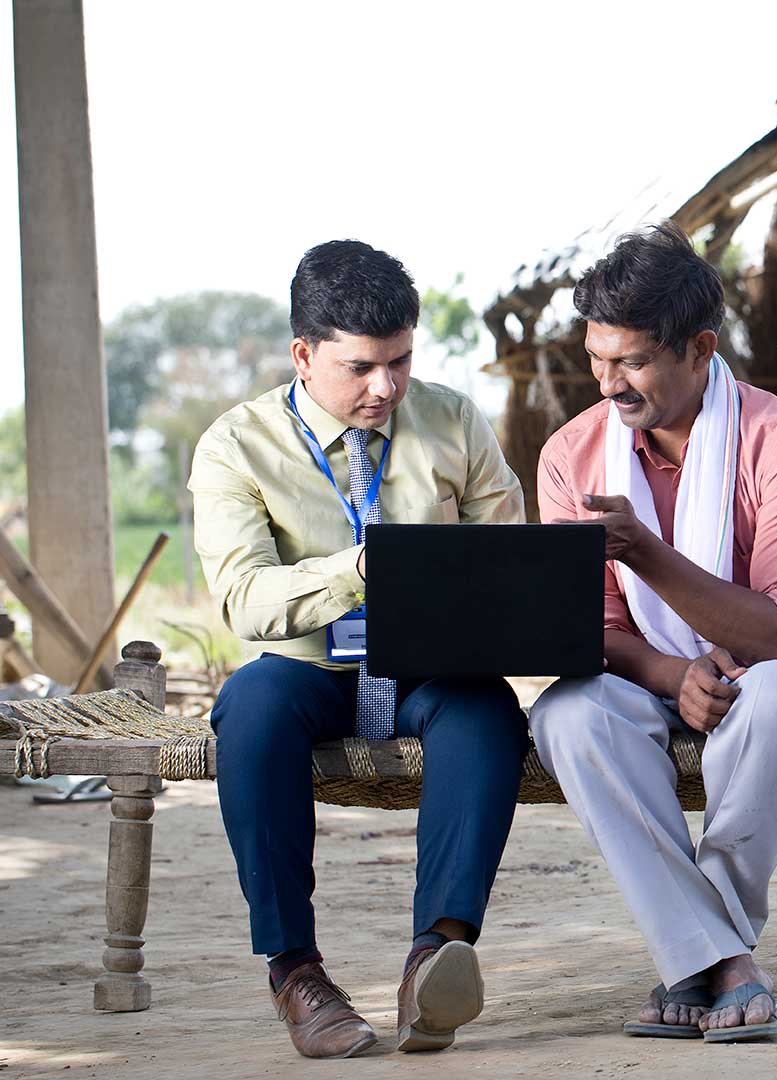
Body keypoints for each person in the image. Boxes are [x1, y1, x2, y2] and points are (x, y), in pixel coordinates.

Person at [528, 223, 777, 1043]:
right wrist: (669, 674)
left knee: (775, 695)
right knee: (566, 713)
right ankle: (729, 963)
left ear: (699, 349)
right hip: (660, 678)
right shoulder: (570, 456)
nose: (610, 384)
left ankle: (697, 954)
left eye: (635, 361)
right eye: (597, 359)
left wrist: (644, 552)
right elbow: (588, 632)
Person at [190, 240, 530, 1058]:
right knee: (250, 708)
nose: (386, 387)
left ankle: (436, 957)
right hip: (309, 669)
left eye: (402, 361)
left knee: (488, 710)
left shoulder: (452, 420)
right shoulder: (234, 447)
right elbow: (244, 597)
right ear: (303, 355)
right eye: (362, 367)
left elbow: (509, 557)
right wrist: (362, 568)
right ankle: (296, 972)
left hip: (428, 668)